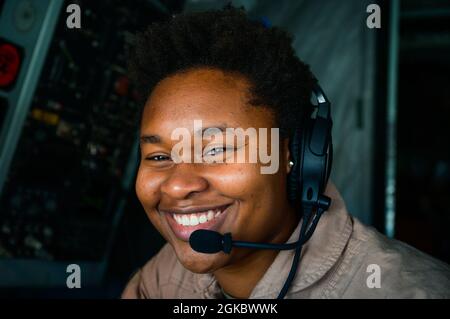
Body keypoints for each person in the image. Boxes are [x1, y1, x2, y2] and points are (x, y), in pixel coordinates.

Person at [121, 6, 450, 299]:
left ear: (295, 156)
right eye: (159, 157)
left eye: (216, 150)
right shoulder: (161, 278)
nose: (176, 186)